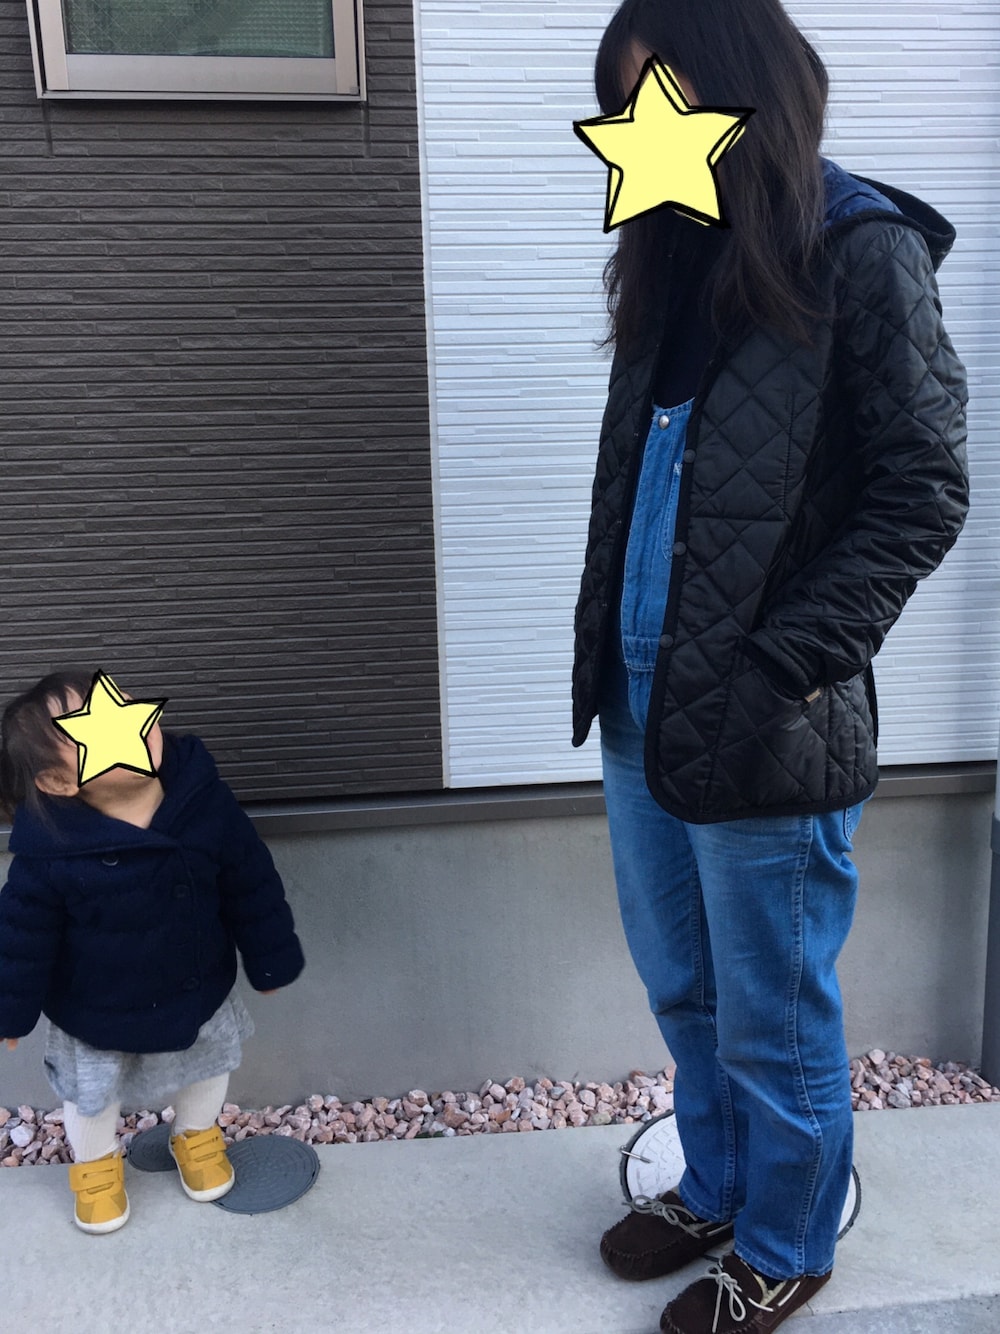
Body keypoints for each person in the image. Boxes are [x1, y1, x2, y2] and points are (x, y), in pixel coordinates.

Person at [571, 2, 969, 1330]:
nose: (644, 130)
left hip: (767, 717)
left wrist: (783, 667)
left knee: (772, 1008)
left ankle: (789, 1240)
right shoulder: (670, 256)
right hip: (640, 701)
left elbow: (921, 489)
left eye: (665, 96)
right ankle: (720, 1184)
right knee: (683, 984)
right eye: (625, 106)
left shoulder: (862, 249)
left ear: (750, 90)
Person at [0, 669, 305, 1233]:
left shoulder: (202, 801)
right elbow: (21, 937)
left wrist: (272, 956)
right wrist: (10, 1010)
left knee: (208, 1065)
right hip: (94, 1009)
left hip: (196, 986)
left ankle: (196, 1136)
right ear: (58, 783)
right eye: (91, 726)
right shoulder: (51, 853)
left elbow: (250, 880)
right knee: (91, 1094)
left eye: (118, 706)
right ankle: (96, 1168)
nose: (123, 726)